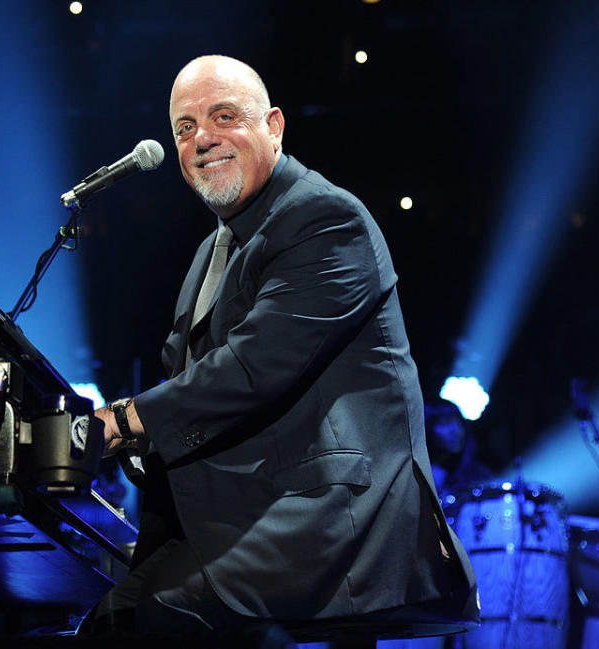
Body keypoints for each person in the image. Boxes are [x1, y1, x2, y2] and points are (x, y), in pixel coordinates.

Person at [86, 54, 476, 635]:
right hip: (249, 503)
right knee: (112, 621)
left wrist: (118, 422)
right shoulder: (212, 251)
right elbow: (184, 371)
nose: (202, 140)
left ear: (274, 126)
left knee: (148, 619)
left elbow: (252, 367)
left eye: (224, 117)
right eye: (185, 128)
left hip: (328, 517)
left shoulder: (324, 217)